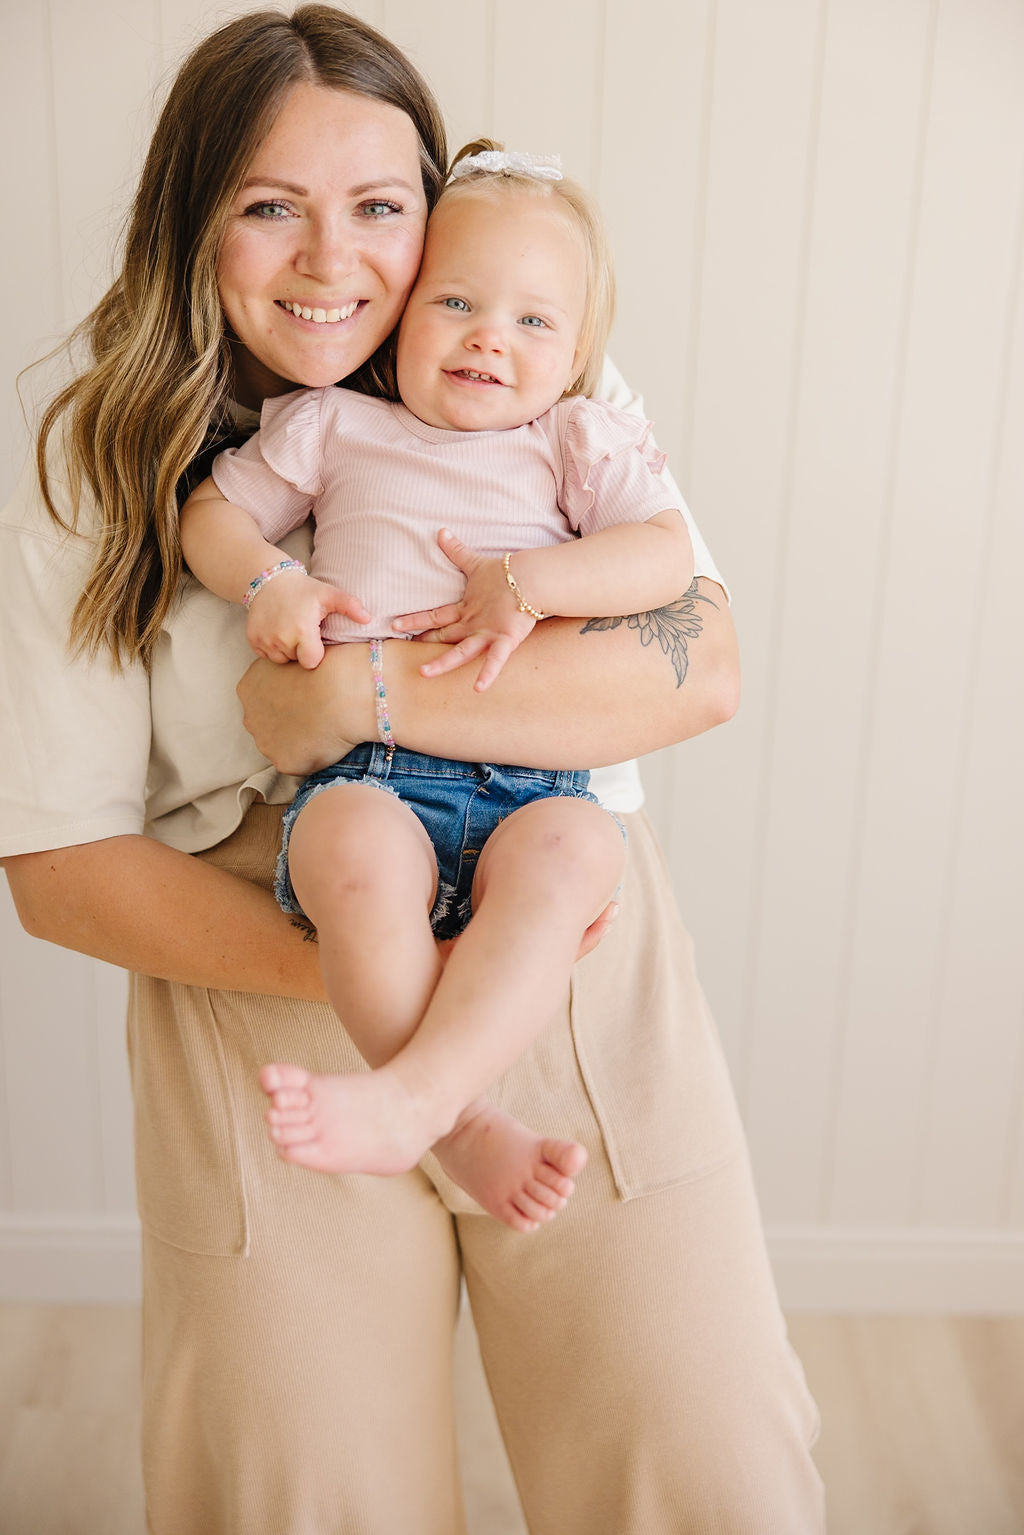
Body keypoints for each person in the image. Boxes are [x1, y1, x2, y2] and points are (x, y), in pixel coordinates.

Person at [0, 6, 824, 1532]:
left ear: (435, 212)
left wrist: (362, 695)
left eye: (381, 206)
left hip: (560, 936)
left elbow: (699, 661)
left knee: (708, 1473)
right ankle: (417, 1095)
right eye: (269, 205)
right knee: (308, 1498)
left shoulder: (536, 357)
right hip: (280, 983)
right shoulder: (91, 454)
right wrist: (377, 963)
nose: (335, 260)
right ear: (192, 219)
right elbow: (55, 868)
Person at [179, 144, 694, 1231]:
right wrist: (270, 577)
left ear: (579, 352)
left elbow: (664, 557)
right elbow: (212, 517)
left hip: (536, 784)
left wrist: (532, 579)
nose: (488, 337)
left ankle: (415, 1098)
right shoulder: (339, 427)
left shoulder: (573, 443)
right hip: (376, 775)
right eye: (455, 300)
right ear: (403, 306)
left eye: (532, 322)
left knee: (577, 856)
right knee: (346, 854)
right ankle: (462, 1125)